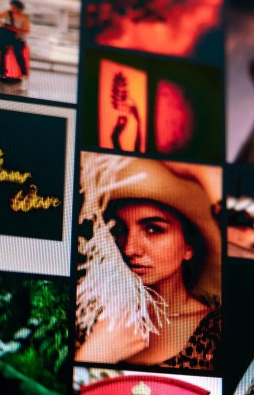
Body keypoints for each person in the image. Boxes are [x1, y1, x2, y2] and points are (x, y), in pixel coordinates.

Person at [75, 157, 222, 370]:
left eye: (153, 229)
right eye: (120, 231)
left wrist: (205, 173)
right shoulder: (92, 320)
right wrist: (97, 353)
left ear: (189, 247)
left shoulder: (217, 331)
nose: (129, 249)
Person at [0, 0, 30, 93]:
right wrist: (3, 25)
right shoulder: (8, 13)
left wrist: (15, 30)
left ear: (19, 8)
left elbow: (27, 31)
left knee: (17, 52)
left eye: (14, 7)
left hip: (18, 39)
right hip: (7, 38)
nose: (12, 8)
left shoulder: (24, 18)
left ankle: (24, 74)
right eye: (11, 6)